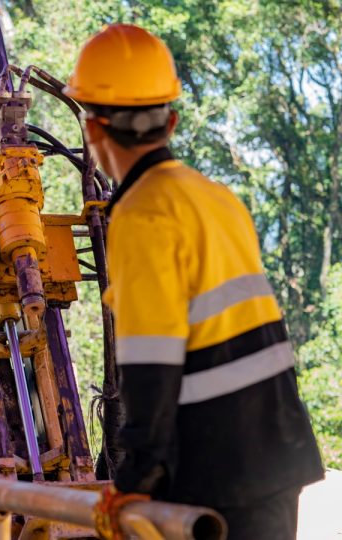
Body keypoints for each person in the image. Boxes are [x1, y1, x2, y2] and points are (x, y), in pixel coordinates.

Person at [64, 24, 325, 540]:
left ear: (92, 130)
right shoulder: (217, 198)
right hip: (278, 455)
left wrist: (138, 476)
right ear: (172, 120)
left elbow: (152, 358)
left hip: (217, 475)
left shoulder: (141, 213)